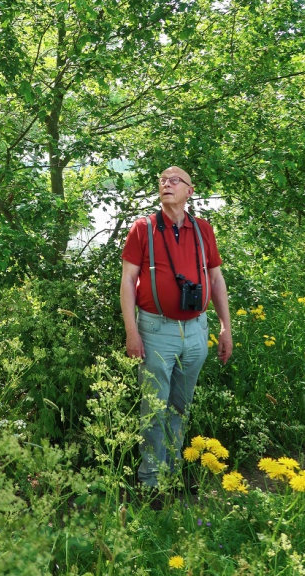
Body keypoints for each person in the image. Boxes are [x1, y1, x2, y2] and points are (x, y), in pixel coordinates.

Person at [120, 166, 232, 487]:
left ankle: (171, 471)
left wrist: (225, 327)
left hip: (197, 330)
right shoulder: (143, 229)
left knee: (180, 405)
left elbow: (216, 279)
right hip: (156, 331)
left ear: (189, 191)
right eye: (162, 181)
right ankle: (151, 481)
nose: (166, 185)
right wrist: (132, 331)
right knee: (154, 407)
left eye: (174, 181)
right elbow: (128, 281)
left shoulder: (204, 230)